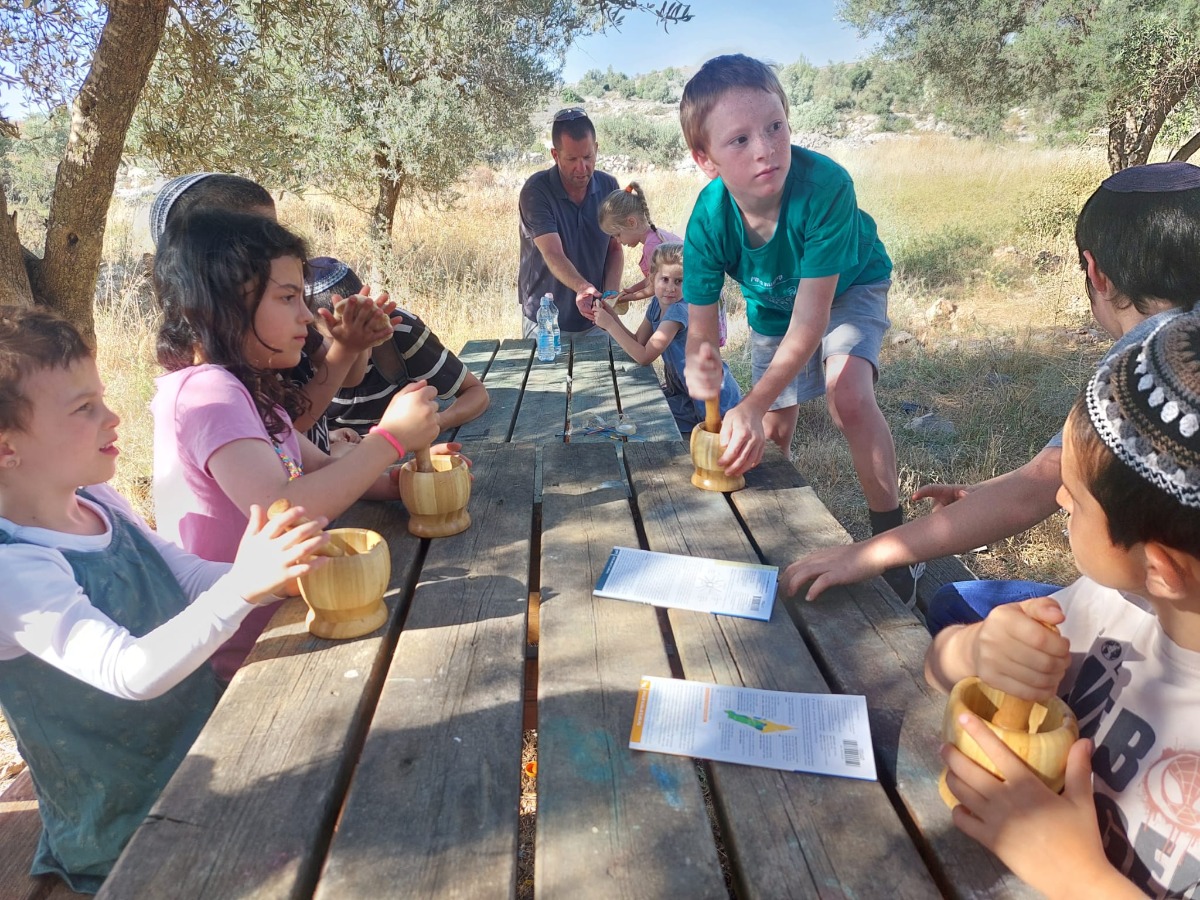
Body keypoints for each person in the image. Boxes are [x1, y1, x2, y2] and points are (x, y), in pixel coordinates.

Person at [0, 305, 330, 892]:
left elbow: (187, 575)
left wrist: (269, 575)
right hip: (126, 818)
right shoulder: (14, 569)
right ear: (7, 449)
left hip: (201, 749)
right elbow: (132, 671)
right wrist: (239, 588)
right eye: (85, 409)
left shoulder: (95, 498)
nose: (113, 415)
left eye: (101, 397)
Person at [783, 161, 1200, 621]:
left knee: (954, 608)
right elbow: (1050, 474)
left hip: (1159, 621)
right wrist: (986, 490)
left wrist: (864, 553)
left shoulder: (1141, 366)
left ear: (1095, 273)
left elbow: (1040, 488)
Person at [925, 312, 1200, 899]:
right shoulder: (1108, 601)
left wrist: (1080, 878)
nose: (1057, 499)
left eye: (1073, 496)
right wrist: (978, 647)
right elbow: (938, 665)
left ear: (1161, 567)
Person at [151, 210, 442, 681]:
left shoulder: (246, 391)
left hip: (294, 619)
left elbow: (323, 471)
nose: (306, 315)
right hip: (253, 654)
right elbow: (280, 509)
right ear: (221, 306)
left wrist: (404, 479)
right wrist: (389, 440)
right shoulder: (207, 393)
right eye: (287, 298)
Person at [676, 54, 916, 602]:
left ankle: (894, 542)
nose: (764, 148)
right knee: (775, 430)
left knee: (847, 395)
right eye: (738, 140)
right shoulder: (707, 221)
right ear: (704, 158)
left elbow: (812, 321)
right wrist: (701, 359)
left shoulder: (825, 185)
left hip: (850, 284)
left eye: (775, 127)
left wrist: (751, 402)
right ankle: (773, 538)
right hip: (771, 307)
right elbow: (700, 330)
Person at [149, 172, 391, 453]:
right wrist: (391, 441)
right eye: (257, 236)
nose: (273, 244)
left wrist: (354, 342)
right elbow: (288, 428)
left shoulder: (282, 322)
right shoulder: (210, 384)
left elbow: (348, 378)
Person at [306, 257, 489, 439]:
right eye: (338, 338)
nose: (359, 344)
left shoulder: (401, 332)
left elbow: (475, 392)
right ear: (309, 326)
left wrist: (438, 422)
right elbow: (290, 431)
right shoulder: (296, 347)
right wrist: (328, 438)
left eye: (366, 324)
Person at [593, 242, 740, 434]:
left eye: (678, 281)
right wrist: (611, 316)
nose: (670, 288)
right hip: (687, 395)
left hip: (714, 403)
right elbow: (638, 341)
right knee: (635, 412)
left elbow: (645, 356)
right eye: (665, 279)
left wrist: (610, 325)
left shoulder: (679, 311)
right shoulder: (657, 303)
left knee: (645, 420)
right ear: (652, 279)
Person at [518, 106, 623, 336]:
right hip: (545, 323)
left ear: (596, 149)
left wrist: (610, 295)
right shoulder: (536, 192)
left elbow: (615, 248)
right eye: (572, 159)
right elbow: (553, 253)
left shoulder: (610, 187)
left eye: (588, 157)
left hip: (596, 320)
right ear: (555, 155)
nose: (582, 167)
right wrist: (583, 287)